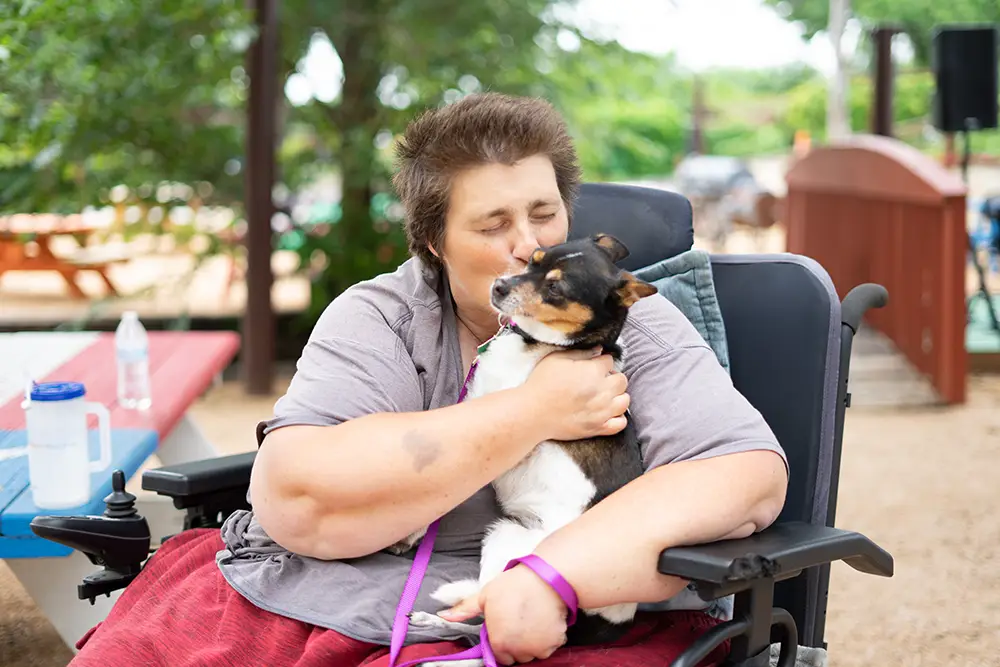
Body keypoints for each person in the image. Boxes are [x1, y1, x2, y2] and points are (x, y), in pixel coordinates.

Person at [70, 93, 788, 666]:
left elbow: (745, 475)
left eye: (544, 213)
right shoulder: (379, 317)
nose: (529, 245)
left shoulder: (620, 318)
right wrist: (533, 411)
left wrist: (552, 575)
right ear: (433, 243)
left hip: (551, 609)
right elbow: (294, 492)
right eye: (493, 224)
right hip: (317, 592)